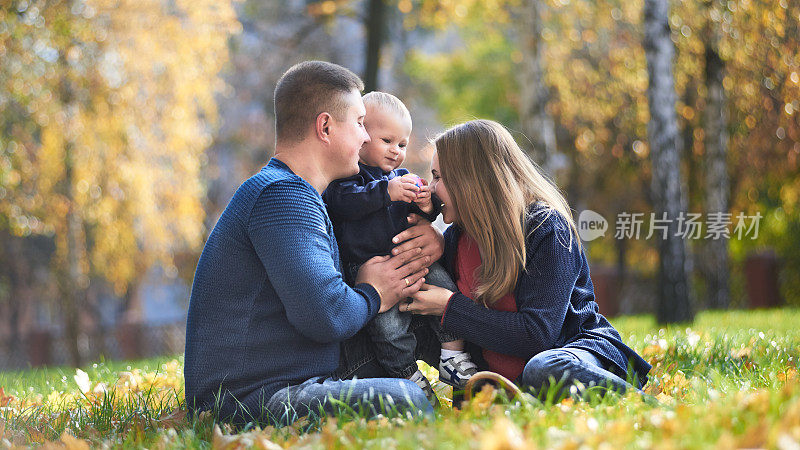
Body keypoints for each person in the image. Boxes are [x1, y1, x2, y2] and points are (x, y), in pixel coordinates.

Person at [184, 61, 444, 426]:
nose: (366, 137)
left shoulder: (302, 195)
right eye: (358, 123)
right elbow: (329, 315)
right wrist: (374, 292)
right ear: (325, 127)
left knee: (427, 315)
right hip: (252, 399)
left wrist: (432, 236)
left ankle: (499, 373)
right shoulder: (283, 197)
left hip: (303, 373)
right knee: (406, 400)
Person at [402, 119, 651, 399]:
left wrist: (449, 306)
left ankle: (645, 407)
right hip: (508, 383)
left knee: (544, 367)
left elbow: (537, 335)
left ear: (470, 180)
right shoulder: (455, 240)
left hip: (575, 355)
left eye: (438, 177)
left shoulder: (547, 229)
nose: (432, 188)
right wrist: (422, 221)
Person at [322, 92, 477, 402]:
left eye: (403, 145)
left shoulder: (403, 177)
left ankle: (452, 356)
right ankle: (407, 375)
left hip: (414, 261)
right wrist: (385, 191)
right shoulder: (347, 180)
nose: (396, 151)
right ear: (363, 136)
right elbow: (345, 205)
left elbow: (425, 216)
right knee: (388, 328)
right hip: (370, 270)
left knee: (447, 289)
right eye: (387, 141)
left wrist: (426, 204)